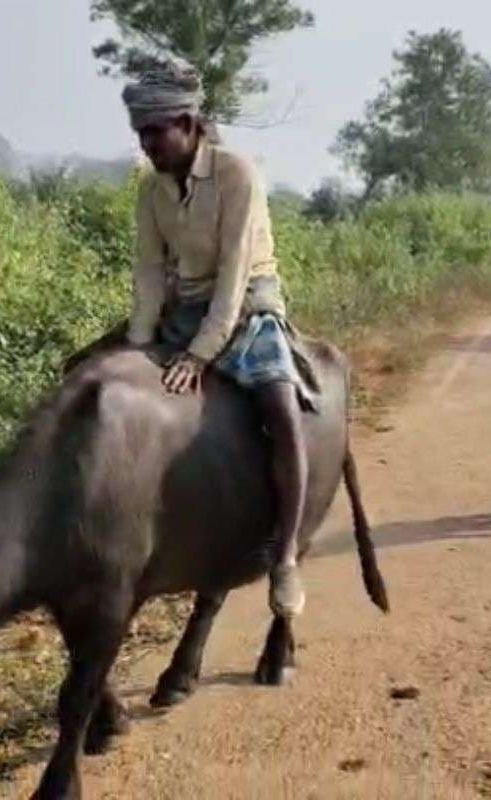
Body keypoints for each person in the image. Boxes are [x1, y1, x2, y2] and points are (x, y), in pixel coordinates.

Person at [120, 63, 316, 618]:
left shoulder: (237, 173)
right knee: (92, 376)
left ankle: (285, 559)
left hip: (247, 303)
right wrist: (138, 345)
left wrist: (199, 353)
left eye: (156, 133)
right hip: (184, 305)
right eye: (141, 136)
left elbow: (233, 271)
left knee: (280, 409)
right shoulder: (152, 189)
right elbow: (149, 271)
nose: (148, 146)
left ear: (187, 123)